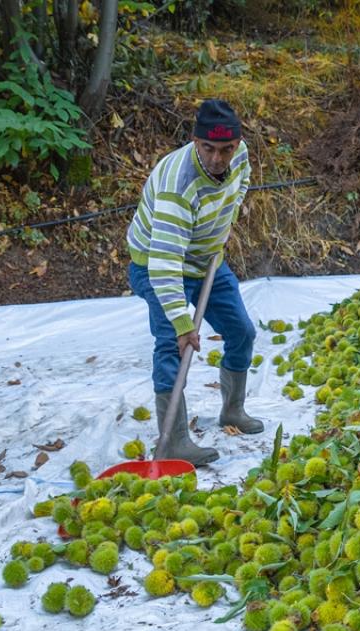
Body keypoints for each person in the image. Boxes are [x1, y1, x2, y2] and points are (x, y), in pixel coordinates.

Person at [125, 99, 263, 465]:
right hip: (157, 265)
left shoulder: (239, 155)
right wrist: (183, 324)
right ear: (194, 140)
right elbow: (164, 263)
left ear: (237, 143)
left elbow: (243, 179)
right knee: (173, 347)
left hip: (206, 261)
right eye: (208, 148)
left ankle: (233, 410)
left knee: (242, 331)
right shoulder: (179, 185)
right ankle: (173, 440)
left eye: (226, 149)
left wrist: (228, 215)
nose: (218, 159)